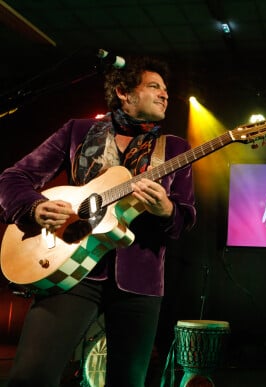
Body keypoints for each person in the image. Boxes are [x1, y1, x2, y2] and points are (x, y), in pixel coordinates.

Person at [0, 55, 196, 386]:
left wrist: (167, 210)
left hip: (140, 281)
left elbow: (186, 216)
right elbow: (13, 177)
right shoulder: (78, 130)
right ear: (123, 92)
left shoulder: (174, 148)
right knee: (30, 377)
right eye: (153, 86)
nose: (164, 94)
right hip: (70, 269)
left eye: (165, 89)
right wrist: (33, 208)